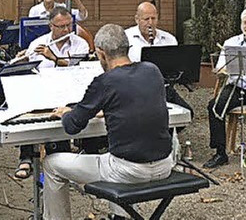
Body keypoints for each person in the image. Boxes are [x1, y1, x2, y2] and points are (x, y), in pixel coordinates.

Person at [43, 24, 174, 220]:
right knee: (113, 154)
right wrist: (109, 110)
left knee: (51, 163)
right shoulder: (152, 70)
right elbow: (134, 103)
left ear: (101, 54)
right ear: (127, 48)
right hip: (164, 165)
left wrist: (66, 112)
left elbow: (72, 127)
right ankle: (119, 216)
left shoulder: (105, 81)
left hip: (128, 171)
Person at [14, 7, 90, 179]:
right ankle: (26, 156)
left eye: (68, 26)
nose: (65, 30)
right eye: (61, 26)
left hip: (72, 91)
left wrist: (54, 58)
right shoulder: (38, 44)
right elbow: (32, 73)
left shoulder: (80, 44)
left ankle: (61, 159)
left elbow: (78, 70)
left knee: (63, 111)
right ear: (51, 26)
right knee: (27, 105)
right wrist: (22, 61)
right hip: (45, 91)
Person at [204, 6, 246, 169]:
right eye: (245, 23)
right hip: (236, 85)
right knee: (214, 107)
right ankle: (220, 152)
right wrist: (226, 69)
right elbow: (220, 68)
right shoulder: (231, 42)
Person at [124, 1, 193, 124]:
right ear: (137, 19)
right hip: (135, 91)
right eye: (146, 19)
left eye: (153, 18)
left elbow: (176, 67)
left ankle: (165, 136)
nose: (150, 23)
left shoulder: (169, 39)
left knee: (187, 113)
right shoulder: (125, 37)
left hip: (163, 89)